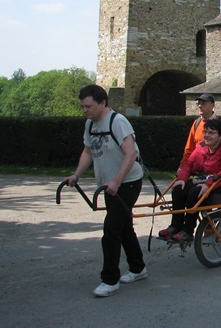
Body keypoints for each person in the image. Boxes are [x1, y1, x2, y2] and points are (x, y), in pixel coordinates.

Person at [65, 84, 147, 297]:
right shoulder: (90, 124)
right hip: (109, 185)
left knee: (111, 229)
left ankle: (110, 280)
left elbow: (130, 154)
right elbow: (88, 151)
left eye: (88, 106)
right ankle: (138, 268)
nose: (85, 110)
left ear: (102, 103)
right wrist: (76, 175)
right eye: (82, 107)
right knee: (124, 226)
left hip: (127, 182)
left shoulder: (117, 122)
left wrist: (117, 181)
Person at [159, 118, 221, 242]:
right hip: (205, 180)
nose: (207, 135)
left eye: (211, 133)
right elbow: (188, 164)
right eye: (205, 132)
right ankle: (175, 226)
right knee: (178, 189)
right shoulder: (201, 147)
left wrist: (208, 184)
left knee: (194, 193)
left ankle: (187, 231)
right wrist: (182, 178)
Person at [180, 93, 221, 167]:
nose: (200, 106)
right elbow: (189, 149)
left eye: (203, 103)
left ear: (212, 105)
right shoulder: (196, 123)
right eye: (198, 103)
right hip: (198, 169)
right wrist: (182, 167)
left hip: (217, 169)